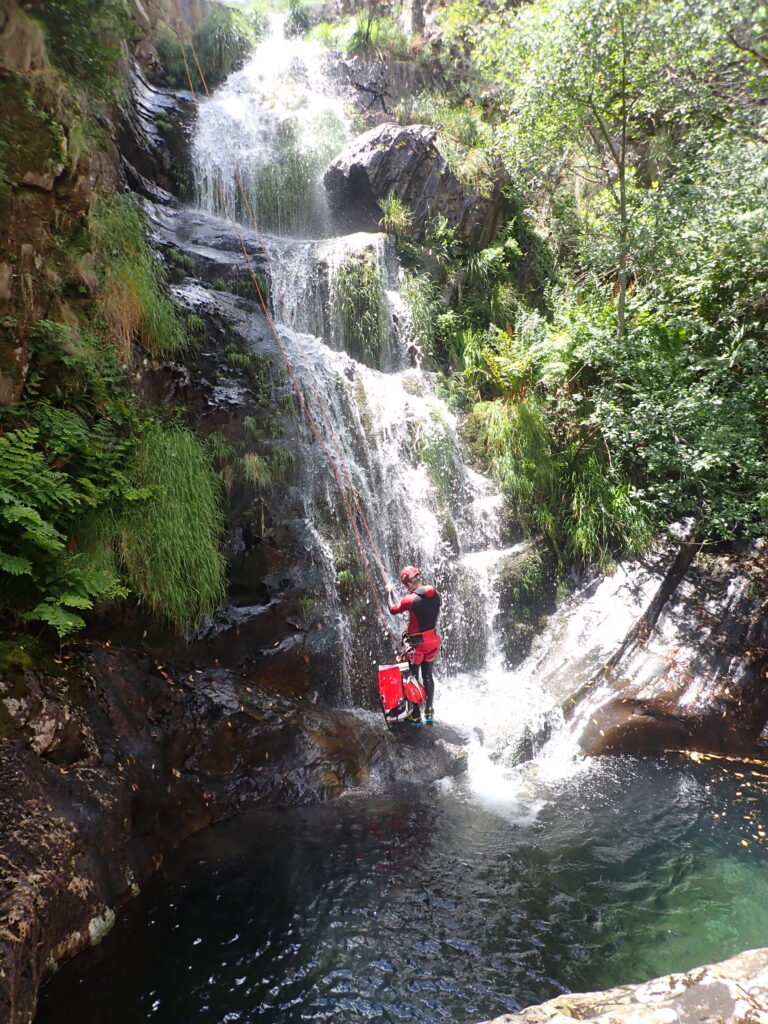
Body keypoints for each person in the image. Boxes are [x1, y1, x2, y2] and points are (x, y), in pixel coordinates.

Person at [385, 566, 441, 726]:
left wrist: (389, 591)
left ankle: (416, 715)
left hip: (417, 644)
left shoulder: (410, 600)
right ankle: (429, 712)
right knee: (428, 675)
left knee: (414, 678)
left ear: (408, 584)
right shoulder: (435, 593)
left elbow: (393, 609)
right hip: (433, 641)